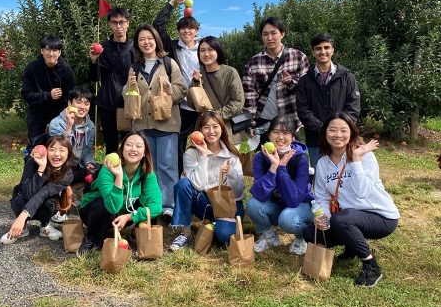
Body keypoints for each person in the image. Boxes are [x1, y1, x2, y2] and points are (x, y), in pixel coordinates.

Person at [303, 112, 400, 287]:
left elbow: (362, 192)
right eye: (332, 130)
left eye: (343, 130)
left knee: (342, 220)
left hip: (381, 217)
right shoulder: (323, 163)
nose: (338, 135)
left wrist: (356, 159)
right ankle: (351, 246)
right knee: (311, 233)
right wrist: (323, 216)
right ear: (325, 134)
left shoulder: (366, 157)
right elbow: (322, 197)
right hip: (349, 217)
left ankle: (371, 266)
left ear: (351, 133)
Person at [124, 23, 186, 220]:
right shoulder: (134, 67)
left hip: (167, 124)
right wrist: (130, 87)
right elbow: (127, 95)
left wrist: (167, 88)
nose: (146, 42)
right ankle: (151, 204)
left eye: (149, 38)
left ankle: (168, 206)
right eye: (141, 39)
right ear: (137, 43)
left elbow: (181, 91)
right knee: (147, 167)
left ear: (156, 40)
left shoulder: (168, 63)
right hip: (142, 125)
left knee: (167, 166)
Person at [169, 111, 245, 251]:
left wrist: (231, 173)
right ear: (200, 130)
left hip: (228, 205)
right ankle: (185, 233)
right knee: (183, 184)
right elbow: (197, 185)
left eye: (215, 126)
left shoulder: (231, 155)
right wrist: (204, 156)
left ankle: (217, 226)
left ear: (222, 128)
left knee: (224, 236)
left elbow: (240, 192)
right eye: (206, 127)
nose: (211, 131)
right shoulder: (191, 154)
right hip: (205, 204)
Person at [78, 131, 162, 254]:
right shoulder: (107, 170)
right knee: (101, 205)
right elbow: (112, 207)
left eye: (138, 146)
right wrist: (118, 177)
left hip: (124, 215)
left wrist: (130, 217)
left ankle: (137, 234)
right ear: (122, 149)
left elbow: (157, 206)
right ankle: (92, 240)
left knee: (149, 205)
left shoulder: (147, 174)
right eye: (129, 145)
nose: (133, 149)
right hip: (96, 212)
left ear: (144, 153)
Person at [246, 116, 314, 255]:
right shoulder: (260, 157)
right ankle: (269, 236)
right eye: (276, 132)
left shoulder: (300, 158)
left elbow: (294, 200)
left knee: (287, 219)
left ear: (293, 137)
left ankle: (301, 239)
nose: (280, 137)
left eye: (286, 132)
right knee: (253, 204)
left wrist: (282, 169)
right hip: (276, 205)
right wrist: (273, 168)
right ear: (269, 134)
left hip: (299, 206)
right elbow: (259, 194)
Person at [153, 0, 201, 172]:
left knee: (203, 141)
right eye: (183, 29)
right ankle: (178, 176)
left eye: (190, 29)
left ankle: (201, 180)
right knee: (178, 142)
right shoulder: (172, 47)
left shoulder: (204, 48)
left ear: (196, 31)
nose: (186, 31)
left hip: (201, 105)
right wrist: (172, 3)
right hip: (180, 104)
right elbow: (157, 25)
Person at [296, 33, 360, 167]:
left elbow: (353, 107)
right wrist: (325, 130)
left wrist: (338, 131)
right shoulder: (305, 81)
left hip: (342, 140)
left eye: (326, 47)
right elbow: (303, 111)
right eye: (318, 48)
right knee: (320, 178)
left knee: (345, 178)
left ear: (332, 50)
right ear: (313, 52)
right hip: (316, 141)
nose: (323, 52)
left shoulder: (347, 77)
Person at [242, 17, 309, 144]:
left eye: (274, 33)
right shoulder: (253, 63)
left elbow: (307, 91)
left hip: (290, 119)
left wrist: (292, 83)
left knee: (293, 158)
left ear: (282, 34)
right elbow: (249, 97)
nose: (270, 38)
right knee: (264, 158)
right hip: (263, 120)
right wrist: (250, 123)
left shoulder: (298, 57)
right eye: (265, 34)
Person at [1, 135, 74, 244]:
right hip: (24, 200)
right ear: (46, 150)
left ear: (68, 154)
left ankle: (45, 226)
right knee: (20, 200)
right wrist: (41, 168)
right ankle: (22, 227)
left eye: (62, 150)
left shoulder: (67, 174)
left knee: (49, 202)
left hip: (46, 205)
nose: (57, 154)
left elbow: (44, 193)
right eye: (52, 150)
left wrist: (24, 214)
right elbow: (27, 194)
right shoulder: (32, 163)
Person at [89, 7, 135, 155]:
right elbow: (94, 78)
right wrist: (94, 61)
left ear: (128, 23)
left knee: (129, 144)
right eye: (114, 22)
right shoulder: (102, 48)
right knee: (111, 146)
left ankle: (128, 175)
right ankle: (110, 176)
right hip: (107, 103)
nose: (118, 26)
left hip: (129, 103)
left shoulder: (135, 48)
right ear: (109, 24)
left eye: (122, 22)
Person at [48, 86, 96, 222]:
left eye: (86, 103)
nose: (83, 107)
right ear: (69, 104)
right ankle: (59, 205)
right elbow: (60, 153)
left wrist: (89, 163)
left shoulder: (90, 125)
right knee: (62, 175)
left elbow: (87, 151)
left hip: (78, 167)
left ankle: (82, 198)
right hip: (61, 168)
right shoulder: (57, 123)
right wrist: (69, 126)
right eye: (78, 102)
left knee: (101, 171)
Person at [187, 36, 245, 144]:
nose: (206, 54)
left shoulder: (230, 72)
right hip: (205, 131)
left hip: (227, 128)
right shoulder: (199, 76)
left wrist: (214, 118)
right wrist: (194, 83)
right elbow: (192, 104)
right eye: (202, 50)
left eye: (210, 49)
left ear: (218, 51)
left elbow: (237, 102)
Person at [21, 34, 75, 148]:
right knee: (34, 147)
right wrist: (47, 95)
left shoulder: (66, 71)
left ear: (59, 52)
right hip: (37, 112)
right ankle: (33, 165)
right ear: (41, 51)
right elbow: (26, 94)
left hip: (58, 114)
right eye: (47, 49)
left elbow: (70, 97)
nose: (51, 54)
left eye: (55, 50)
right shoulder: (32, 68)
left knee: (59, 146)